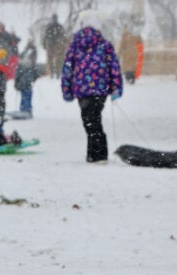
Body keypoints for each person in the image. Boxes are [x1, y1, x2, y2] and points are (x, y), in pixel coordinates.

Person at [61, 15, 123, 164]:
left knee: (89, 120)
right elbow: (114, 68)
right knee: (94, 119)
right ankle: (96, 154)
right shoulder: (105, 45)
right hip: (101, 89)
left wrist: (67, 90)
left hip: (82, 89)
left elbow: (67, 69)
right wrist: (116, 88)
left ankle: (97, 154)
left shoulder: (74, 45)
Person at [15, 37, 38, 117]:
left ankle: (26, 109)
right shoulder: (27, 64)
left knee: (26, 95)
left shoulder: (25, 65)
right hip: (26, 82)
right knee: (26, 95)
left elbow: (17, 75)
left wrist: (17, 82)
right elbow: (35, 73)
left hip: (25, 82)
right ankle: (26, 109)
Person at [42, 14, 66, 79]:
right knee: (52, 60)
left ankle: (57, 73)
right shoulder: (50, 27)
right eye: (54, 18)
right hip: (51, 45)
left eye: (55, 18)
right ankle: (53, 73)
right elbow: (45, 37)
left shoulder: (58, 27)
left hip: (56, 45)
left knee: (57, 60)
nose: (54, 20)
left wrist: (62, 44)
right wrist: (44, 44)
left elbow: (63, 37)